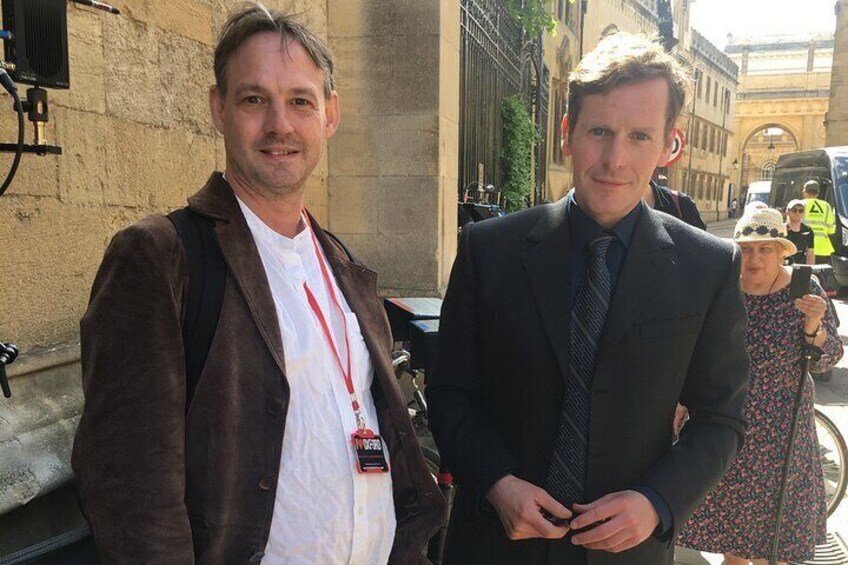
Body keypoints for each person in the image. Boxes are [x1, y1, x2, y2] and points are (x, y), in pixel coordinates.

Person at [71, 4, 443, 563]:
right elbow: (131, 489)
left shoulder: (341, 264)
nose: (279, 125)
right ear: (218, 108)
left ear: (330, 115)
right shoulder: (161, 257)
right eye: (253, 99)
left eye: (300, 101)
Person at [426, 32, 748, 565]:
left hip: (629, 553)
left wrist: (657, 502)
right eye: (599, 130)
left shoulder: (708, 266)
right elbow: (450, 392)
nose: (614, 159)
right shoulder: (490, 251)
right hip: (495, 544)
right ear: (567, 132)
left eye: (639, 136)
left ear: (672, 144)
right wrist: (498, 484)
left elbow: (722, 419)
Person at [678, 207, 841, 564]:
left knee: (779, 541)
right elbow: (695, 350)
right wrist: (681, 402)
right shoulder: (721, 288)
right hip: (726, 422)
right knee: (733, 540)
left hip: (784, 428)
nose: (754, 257)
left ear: (782, 251)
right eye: (747, 248)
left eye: (764, 248)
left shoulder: (803, 289)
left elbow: (829, 356)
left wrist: (814, 325)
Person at [802, 179, 838, 264]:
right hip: (823, 248)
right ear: (817, 193)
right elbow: (831, 230)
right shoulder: (826, 206)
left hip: (805, 247)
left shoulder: (800, 205)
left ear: (805, 192)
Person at [784, 198, 815, 265]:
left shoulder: (808, 230)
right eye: (794, 210)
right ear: (788, 211)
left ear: (804, 213)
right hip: (784, 266)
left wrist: (810, 271)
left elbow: (810, 253)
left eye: (801, 210)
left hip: (801, 267)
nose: (797, 213)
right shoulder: (781, 229)